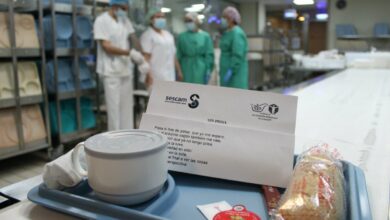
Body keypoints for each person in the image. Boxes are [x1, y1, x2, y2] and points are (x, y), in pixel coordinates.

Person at [93, 0, 150, 130]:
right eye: (123, 8)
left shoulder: (124, 20)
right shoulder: (101, 21)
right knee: (114, 111)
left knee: (126, 110)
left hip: (125, 70)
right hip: (111, 72)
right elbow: (106, 46)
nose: (125, 11)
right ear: (114, 6)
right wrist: (129, 53)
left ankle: (127, 140)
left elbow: (134, 38)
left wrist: (142, 56)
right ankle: (115, 143)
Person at [140, 8, 183, 86]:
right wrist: (148, 75)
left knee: (169, 97)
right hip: (155, 76)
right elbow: (145, 58)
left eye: (163, 17)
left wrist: (179, 70)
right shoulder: (147, 35)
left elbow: (173, 55)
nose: (161, 19)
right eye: (158, 17)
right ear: (151, 20)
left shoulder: (168, 35)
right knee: (156, 97)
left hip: (170, 76)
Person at [176, 12, 214, 85]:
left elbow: (209, 55)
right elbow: (178, 55)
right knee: (185, 91)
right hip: (185, 68)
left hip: (201, 68)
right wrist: (179, 71)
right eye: (186, 21)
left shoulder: (205, 36)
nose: (188, 23)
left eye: (190, 21)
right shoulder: (182, 36)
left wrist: (208, 69)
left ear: (196, 21)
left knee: (199, 92)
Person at [219, 6, 248, 89]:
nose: (222, 20)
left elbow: (237, 54)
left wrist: (231, 70)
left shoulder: (237, 33)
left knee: (235, 98)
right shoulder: (227, 32)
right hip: (225, 70)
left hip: (235, 74)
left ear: (231, 18)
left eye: (224, 17)